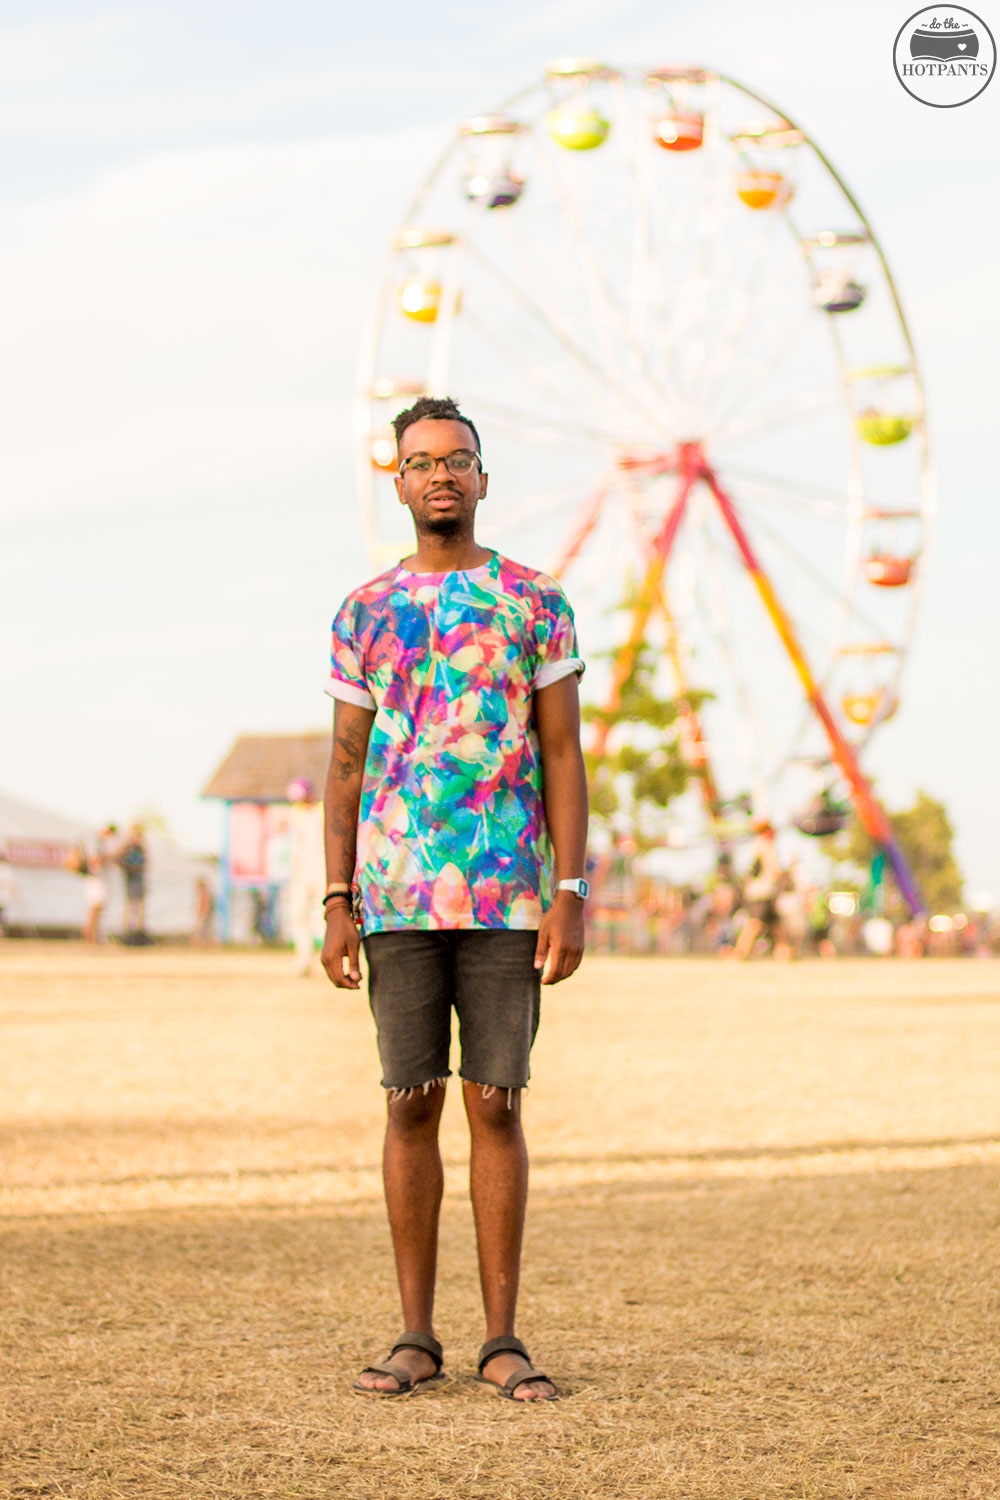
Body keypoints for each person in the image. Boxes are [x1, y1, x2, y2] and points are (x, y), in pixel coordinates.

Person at [321, 396, 588, 1402]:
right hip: (393, 898)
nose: (441, 475)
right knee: (407, 1103)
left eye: (458, 460)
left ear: (483, 479)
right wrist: (337, 895)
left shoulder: (534, 602)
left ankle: (505, 1338)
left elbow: (560, 751)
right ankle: (414, 1335)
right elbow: (344, 766)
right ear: (396, 481)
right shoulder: (363, 611)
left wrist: (567, 889)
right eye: (421, 461)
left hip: (507, 896)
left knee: (495, 1104)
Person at [117, 825, 148, 940]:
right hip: (131, 880)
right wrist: (130, 868)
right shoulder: (127, 849)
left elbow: (144, 865)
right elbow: (119, 860)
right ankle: (126, 932)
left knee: (140, 906)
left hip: (139, 880)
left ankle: (139, 932)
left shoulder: (141, 849)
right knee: (130, 906)